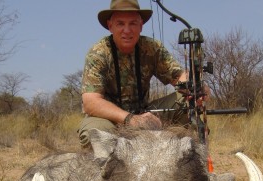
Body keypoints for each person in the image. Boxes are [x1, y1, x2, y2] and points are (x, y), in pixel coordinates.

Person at [78, 0, 191, 147]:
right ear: (110, 26)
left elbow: (179, 76)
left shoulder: (152, 47)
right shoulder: (98, 53)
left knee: (187, 99)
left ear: (141, 25)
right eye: (120, 24)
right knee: (94, 134)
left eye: (132, 23)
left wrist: (193, 87)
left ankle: (178, 159)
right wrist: (130, 119)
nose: (127, 30)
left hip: (144, 114)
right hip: (109, 119)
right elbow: (90, 103)